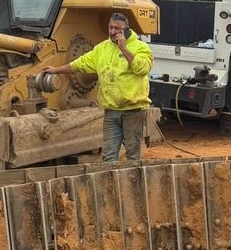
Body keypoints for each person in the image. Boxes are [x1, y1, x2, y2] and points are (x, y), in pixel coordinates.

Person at [40, 12, 153, 162]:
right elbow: (79, 64)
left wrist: (124, 48)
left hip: (133, 111)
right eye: (110, 28)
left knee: (132, 155)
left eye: (117, 29)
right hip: (111, 111)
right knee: (108, 156)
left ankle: (131, 184)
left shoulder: (141, 47)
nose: (113, 32)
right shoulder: (102, 48)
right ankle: (110, 184)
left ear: (126, 29)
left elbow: (142, 69)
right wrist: (56, 70)